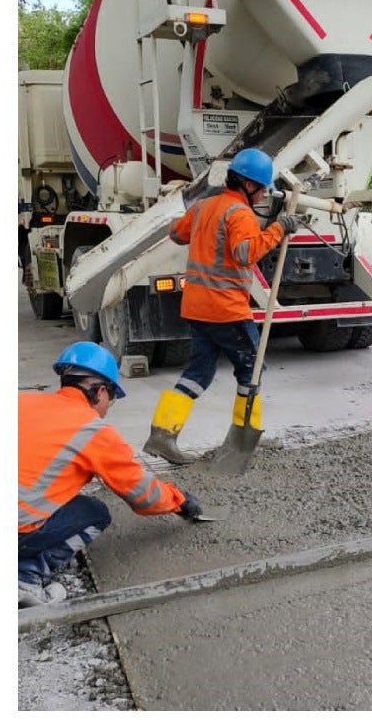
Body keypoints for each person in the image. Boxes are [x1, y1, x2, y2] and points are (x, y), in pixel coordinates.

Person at [19, 342, 205, 608]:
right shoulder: (93, 431)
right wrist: (180, 501)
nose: (108, 407)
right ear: (101, 391)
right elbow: (143, 496)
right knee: (93, 513)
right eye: (112, 398)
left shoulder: (22, 401)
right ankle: (24, 577)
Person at [143, 147, 299, 464]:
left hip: (197, 308)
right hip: (226, 309)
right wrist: (279, 229)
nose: (263, 195)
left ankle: (163, 433)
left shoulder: (205, 206)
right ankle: (243, 440)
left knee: (198, 371)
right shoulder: (240, 213)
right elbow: (245, 253)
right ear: (248, 184)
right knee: (251, 369)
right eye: (262, 188)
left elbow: (176, 234)